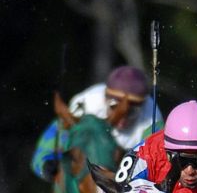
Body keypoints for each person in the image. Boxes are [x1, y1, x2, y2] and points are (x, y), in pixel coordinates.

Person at [32, 64, 160, 181]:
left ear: (142, 108)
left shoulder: (152, 122)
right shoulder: (86, 105)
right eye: (114, 107)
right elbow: (51, 142)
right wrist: (45, 165)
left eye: (132, 112)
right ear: (105, 99)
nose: (122, 120)